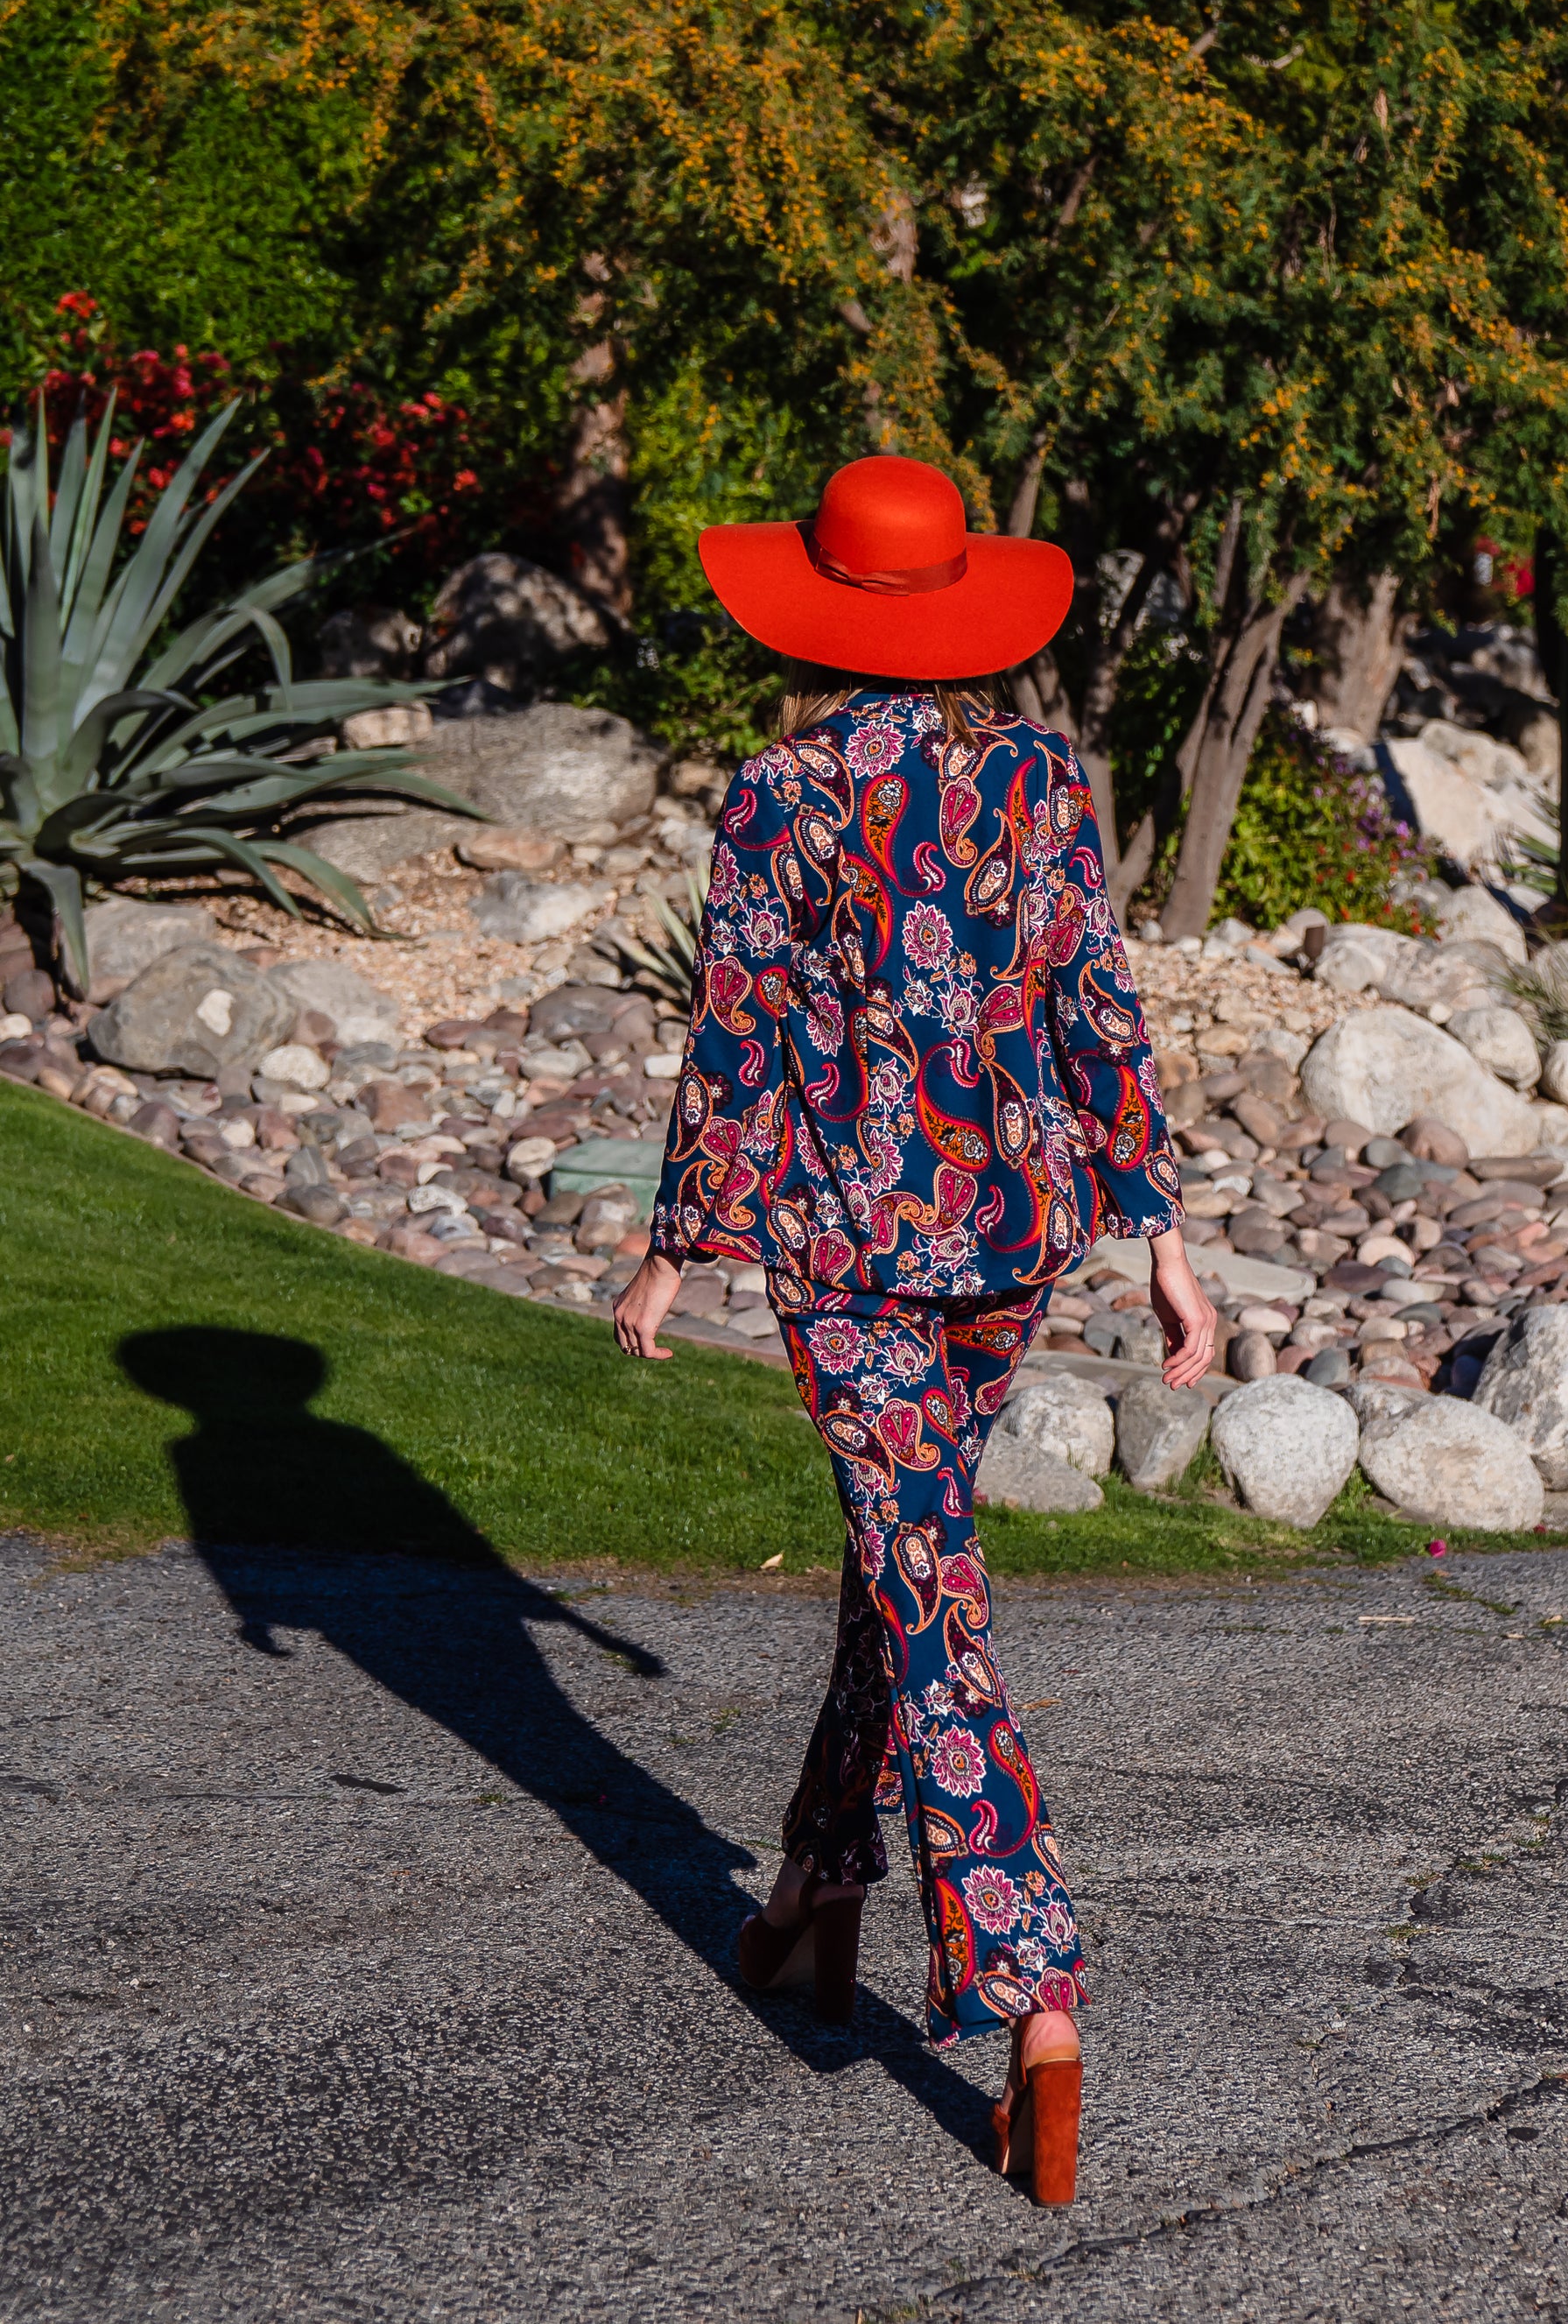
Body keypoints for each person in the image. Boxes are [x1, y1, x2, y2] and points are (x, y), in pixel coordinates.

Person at [614, 454, 1216, 2205]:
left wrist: (678, 1243)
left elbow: (731, 1030)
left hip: (847, 1243)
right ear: (966, 611)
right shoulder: (1043, 777)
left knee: (921, 1572)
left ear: (808, 605)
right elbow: (1100, 1004)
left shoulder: (777, 792)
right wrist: (1159, 1234)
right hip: (1009, 1234)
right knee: (910, 1550)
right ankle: (818, 1876)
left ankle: (1030, 1976)